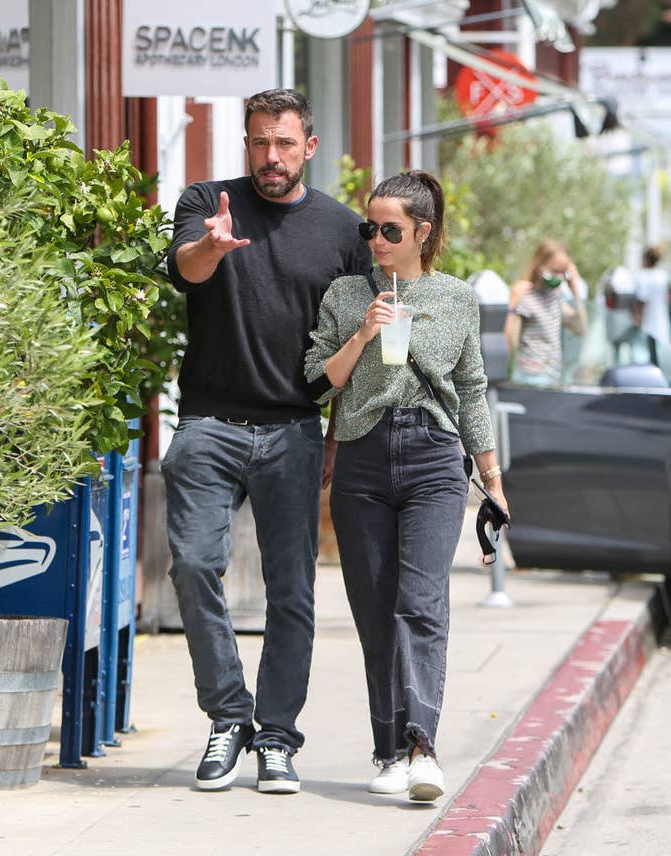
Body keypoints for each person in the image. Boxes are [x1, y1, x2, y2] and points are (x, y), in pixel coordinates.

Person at [162, 89, 372, 795]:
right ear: (245, 142)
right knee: (193, 564)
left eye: (283, 144)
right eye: (258, 142)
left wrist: (342, 433)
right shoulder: (206, 203)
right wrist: (212, 249)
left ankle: (277, 737)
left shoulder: (344, 231)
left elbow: (356, 345)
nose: (269, 157)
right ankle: (229, 717)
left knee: (293, 592)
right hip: (208, 423)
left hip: (295, 428)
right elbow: (186, 266)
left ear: (308, 147)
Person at [304, 170, 508, 802]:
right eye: (370, 229)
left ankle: (423, 746)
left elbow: (472, 389)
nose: (376, 241)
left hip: (433, 459)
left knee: (420, 603)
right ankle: (389, 749)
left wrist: (494, 482)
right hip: (363, 457)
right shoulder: (345, 294)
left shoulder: (456, 298)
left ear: (424, 232)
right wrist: (365, 331)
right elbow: (318, 380)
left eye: (389, 230)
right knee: (374, 610)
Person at [504, 239, 587, 386]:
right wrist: (513, 303)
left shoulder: (556, 297)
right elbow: (510, 343)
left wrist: (575, 290)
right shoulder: (526, 297)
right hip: (529, 378)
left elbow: (581, 328)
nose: (559, 277)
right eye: (555, 271)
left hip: (552, 377)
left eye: (563, 272)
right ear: (539, 267)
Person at [634, 245, 670, 347]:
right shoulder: (663, 276)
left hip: (648, 321)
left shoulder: (644, 276)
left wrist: (637, 318)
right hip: (662, 319)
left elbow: (641, 301)